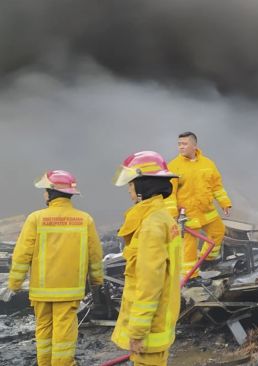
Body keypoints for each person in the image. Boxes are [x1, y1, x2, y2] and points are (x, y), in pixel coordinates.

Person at [0, 170, 104, 366]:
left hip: (41, 290)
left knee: (44, 330)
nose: (44, 194)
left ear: (51, 193)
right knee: (64, 333)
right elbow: (95, 256)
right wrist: (97, 281)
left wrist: (14, 284)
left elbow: (22, 255)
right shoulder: (85, 219)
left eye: (45, 190)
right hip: (69, 290)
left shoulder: (36, 219)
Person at [111, 151, 182, 366]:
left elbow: (149, 282)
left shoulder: (151, 224)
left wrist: (138, 330)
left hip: (150, 327)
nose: (129, 190)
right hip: (160, 319)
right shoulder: (163, 218)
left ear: (144, 186)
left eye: (132, 184)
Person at [166, 131, 232, 279]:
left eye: (184, 144)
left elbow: (217, 186)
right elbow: (169, 193)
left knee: (218, 231)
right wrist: (173, 215)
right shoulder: (173, 166)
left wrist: (224, 202)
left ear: (194, 145)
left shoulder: (208, 163)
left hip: (207, 210)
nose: (180, 147)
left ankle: (207, 260)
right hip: (187, 214)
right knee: (189, 246)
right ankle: (191, 276)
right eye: (179, 144)